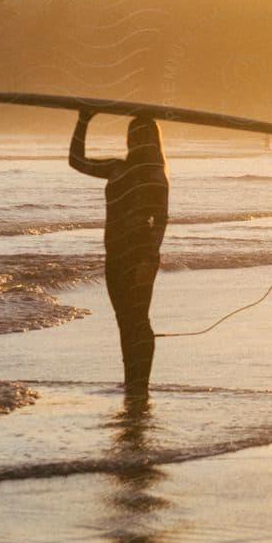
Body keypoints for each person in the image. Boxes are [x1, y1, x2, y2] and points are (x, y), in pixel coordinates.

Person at [70, 110, 169, 396]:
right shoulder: (117, 168)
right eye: (133, 136)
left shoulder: (155, 176)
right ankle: (132, 380)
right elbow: (76, 161)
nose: (137, 142)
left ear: (152, 141)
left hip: (141, 257)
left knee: (138, 319)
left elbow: (160, 222)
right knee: (125, 321)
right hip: (115, 256)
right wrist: (83, 119)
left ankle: (141, 383)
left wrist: (149, 259)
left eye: (142, 137)